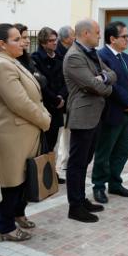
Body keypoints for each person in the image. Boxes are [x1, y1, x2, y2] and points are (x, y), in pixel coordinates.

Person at [0, 24, 51, 241]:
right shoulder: (1, 65)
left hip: (22, 134)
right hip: (10, 136)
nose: (22, 43)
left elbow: (33, 96)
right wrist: (44, 119)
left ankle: (16, 217)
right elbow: (19, 102)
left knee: (20, 181)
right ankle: (5, 229)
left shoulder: (10, 62)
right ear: (2, 44)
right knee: (9, 184)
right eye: (16, 40)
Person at [63, 19, 116, 222]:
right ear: (85, 33)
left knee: (85, 161)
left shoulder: (91, 53)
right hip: (82, 116)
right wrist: (103, 82)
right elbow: (95, 85)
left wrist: (102, 79)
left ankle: (81, 198)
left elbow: (112, 74)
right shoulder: (74, 57)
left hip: (95, 115)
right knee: (76, 164)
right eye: (96, 32)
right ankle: (74, 207)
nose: (99, 35)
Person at [91, 21, 128, 203]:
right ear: (112, 39)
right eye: (124, 36)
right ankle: (98, 186)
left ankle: (115, 182)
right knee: (104, 152)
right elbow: (110, 84)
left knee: (123, 151)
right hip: (111, 112)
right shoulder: (101, 57)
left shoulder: (126, 58)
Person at [31, 28, 66, 155]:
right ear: (43, 43)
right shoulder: (35, 59)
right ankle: (41, 173)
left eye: (55, 39)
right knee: (42, 147)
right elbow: (40, 84)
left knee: (54, 145)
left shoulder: (61, 58)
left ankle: (51, 172)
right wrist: (55, 99)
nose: (55, 43)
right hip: (44, 107)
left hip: (58, 107)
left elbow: (66, 81)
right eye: (51, 40)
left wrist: (61, 96)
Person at [55, 25, 74, 178]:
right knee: (60, 135)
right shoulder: (58, 54)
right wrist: (61, 96)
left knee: (67, 134)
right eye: (73, 35)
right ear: (67, 38)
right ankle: (58, 166)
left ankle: (65, 163)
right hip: (60, 101)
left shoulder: (71, 51)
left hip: (70, 101)